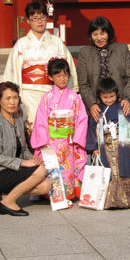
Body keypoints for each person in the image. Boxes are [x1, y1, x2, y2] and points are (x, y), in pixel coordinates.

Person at [3, 1, 78, 133]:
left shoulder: (56, 42)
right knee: (32, 130)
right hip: (28, 95)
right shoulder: (21, 45)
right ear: (28, 20)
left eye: (42, 18)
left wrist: (71, 92)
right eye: (35, 19)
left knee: (56, 132)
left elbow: (68, 69)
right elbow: (13, 72)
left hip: (54, 93)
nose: (39, 22)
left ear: (47, 18)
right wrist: (15, 98)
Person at [0, 82, 51, 216]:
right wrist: (23, 163)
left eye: (15, 97)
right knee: (40, 171)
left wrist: (31, 158)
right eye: (7, 98)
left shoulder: (18, 119)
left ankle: (5, 194)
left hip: (12, 170)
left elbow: (23, 148)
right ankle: (8, 203)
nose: (12, 102)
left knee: (46, 185)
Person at [87, 77, 130, 209]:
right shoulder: (97, 111)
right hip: (104, 148)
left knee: (124, 171)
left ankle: (127, 200)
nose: (109, 99)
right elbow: (92, 128)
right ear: (99, 97)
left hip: (122, 147)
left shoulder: (122, 108)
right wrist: (93, 147)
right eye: (105, 97)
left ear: (117, 94)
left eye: (112, 96)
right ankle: (107, 200)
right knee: (107, 173)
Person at [30, 57, 88, 201]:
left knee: (69, 167)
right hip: (52, 140)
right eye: (58, 75)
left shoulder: (75, 97)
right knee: (52, 166)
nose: (62, 79)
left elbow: (82, 119)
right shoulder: (47, 98)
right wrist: (45, 141)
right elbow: (41, 121)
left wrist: (77, 139)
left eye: (65, 75)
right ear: (51, 77)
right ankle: (49, 194)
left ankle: (67, 194)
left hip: (69, 140)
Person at [76, 16, 130, 123]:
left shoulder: (122, 49)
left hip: (121, 103)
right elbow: (83, 84)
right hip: (97, 106)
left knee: (123, 138)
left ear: (109, 33)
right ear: (91, 36)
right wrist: (92, 104)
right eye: (95, 34)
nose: (99, 38)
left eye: (102, 34)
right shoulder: (84, 53)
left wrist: (127, 99)